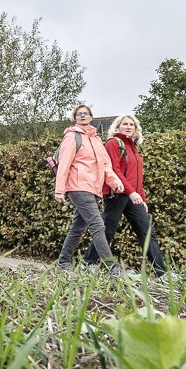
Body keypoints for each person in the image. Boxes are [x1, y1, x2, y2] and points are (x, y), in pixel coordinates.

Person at [82, 113, 168, 276]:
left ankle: (161, 273)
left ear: (136, 128)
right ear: (118, 127)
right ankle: (88, 263)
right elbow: (114, 170)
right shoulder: (113, 143)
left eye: (131, 124)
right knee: (107, 231)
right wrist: (131, 192)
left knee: (146, 232)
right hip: (117, 194)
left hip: (132, 196)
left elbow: (137, 177)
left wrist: (141, 198)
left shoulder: (133, 147)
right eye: (125, 124)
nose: (128, 127)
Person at [54, 104, 125, 271]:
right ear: (75, 118)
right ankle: (111, 266)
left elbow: (106, 166)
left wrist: (115, 183)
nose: (82, 115)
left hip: (94, 188)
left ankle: (63, 263)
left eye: (86, 113)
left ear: (91, 117)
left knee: (78, 227)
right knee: (97, 225)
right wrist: (59, 189)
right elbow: (64, 164)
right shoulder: (72, 137)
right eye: (79, 114)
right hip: (78, 186)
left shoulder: (96, 140)